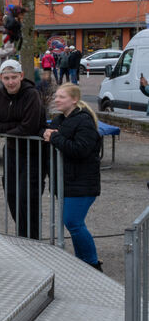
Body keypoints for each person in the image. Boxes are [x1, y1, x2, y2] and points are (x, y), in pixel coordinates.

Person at [43, 83, 103, 270]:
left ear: (74, 100)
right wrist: (46, 133)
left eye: (62, 97)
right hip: (66, 181)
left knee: (73, 222)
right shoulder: (59, 120)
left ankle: (92, 262)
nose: (57, 100)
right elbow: (49, 134)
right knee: (73, 223)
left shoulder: (84, 121)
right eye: (56, 96)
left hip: (82, 181)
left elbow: (80, 149)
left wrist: (54, 138)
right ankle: (83, 261)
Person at [0, 59, 47, 238]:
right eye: (6, 78)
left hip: (33, 152)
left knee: (27, 197)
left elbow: (29, 127)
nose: (10, 82)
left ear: (21, 76)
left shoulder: (31, 95)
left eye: (14, 77)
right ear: (1, 78)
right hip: (12, 150)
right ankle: (23, 236)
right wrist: (15, 127)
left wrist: (7, 128)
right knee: (12, 194)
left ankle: (32, 239)